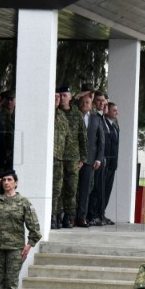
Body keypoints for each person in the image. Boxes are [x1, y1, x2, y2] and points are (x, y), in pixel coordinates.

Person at [75, 87, 104, 228]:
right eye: (82, 102)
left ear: (91, 104)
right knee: (72, 189)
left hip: (90, 160)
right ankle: (70, 217)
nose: (84, 104)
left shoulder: (95, 119)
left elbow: (101, 141)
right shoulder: (74, 115)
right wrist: (78, 95)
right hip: (74, 159)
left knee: (85, 190)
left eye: (87, 102)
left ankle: (82, 217)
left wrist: (98, 159)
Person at [59, 85, 87, 229]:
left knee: (71, 189)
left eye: (65, 95)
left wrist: (83, 158)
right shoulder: (55, 113)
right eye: (61, 95)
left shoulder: (77, 115)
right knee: (58, 188)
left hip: (73, 157)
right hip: (58, 156)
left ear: (70, 97)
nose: (63, 98)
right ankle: (56, 215)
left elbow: (83, 136)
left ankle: (69, 217)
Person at [87, 91, 110, 226]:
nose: (101, 103)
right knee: (93, 189)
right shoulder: (93, 117)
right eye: (99, 100)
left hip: (101, 159)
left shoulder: (101, 117)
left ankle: (97, 214)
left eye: (103, 101)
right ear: (94, 102)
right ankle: (91, 215)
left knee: (99, 189)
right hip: (93, 158)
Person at [51, 88, 69, 229]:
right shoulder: (47, 113)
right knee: (48, 189)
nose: (57, 99)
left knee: (57, 189)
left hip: (60, 158)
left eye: (59, 97)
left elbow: (67, 138)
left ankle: (56, 215)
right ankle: (50, 216)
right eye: (55, 96)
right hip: (48, 157)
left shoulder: (63, 116)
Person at [102, 101, 120, 225]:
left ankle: (102, 213)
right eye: (114, 110)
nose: (117, 113)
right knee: (101, 190)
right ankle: (97, 213)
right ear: (107, 110)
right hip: (105, 162)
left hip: (112, 163)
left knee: (107, 190)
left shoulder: (114, 125)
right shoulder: (103, 124)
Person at [0, 90, 16, 169]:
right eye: (7, 100)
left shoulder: (17, 114)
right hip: (3, 149)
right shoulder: (0, 113)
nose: (9, 102)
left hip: (14, 150)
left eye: (12, 100)